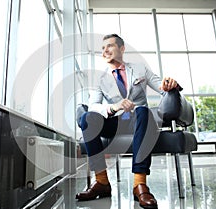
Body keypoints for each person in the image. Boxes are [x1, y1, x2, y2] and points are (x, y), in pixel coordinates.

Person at [75, 34, 180, 209]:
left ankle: (140, 184)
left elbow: (161, 88)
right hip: (114, 122)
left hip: (138, 121)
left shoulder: (139, 69)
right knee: (87, 117)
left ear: (122, 49)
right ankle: (101, 182)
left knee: (143, 111)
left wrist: (169, 86)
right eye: (102, 48)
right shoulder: (100, 79)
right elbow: (93, 105)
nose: (105, 51)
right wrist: (113, 107)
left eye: (109, 46)